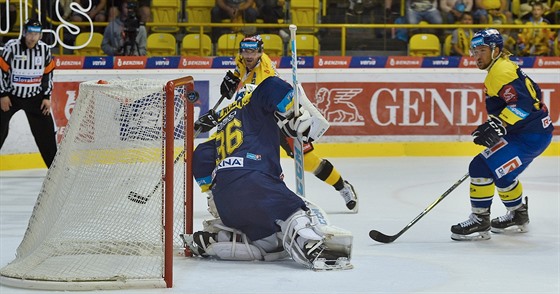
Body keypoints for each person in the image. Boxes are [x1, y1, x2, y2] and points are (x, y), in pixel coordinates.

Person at [185, 76, 353, 270]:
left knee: (270, 244)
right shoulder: (253, 104)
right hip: (256, 181)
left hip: (225, 201)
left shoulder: (222, 129)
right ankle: (315, 245)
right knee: (294, 211)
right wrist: (292, 112)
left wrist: (213, 195)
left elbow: (200, 157)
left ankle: (219, 239)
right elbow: (271, 86)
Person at [217, 34, 358, 212]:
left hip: (284, 118)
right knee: (253, 158)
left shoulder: (265, 72)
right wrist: (234, 77)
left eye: (253, 51)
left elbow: (250, 98)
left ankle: (343, 187)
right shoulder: (241, 60)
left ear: (261, 52)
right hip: (262, 120)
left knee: (308, 162)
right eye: (245, 50)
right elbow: (241, 75)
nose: (248, 55)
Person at [450, 29, 553, 241]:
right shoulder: (502, 67)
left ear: (496, 50)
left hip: (528, 136)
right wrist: (500, 125)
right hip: (530, 133)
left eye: (482, 50)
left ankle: (480, 220)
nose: (477, 56)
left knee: (479, 167)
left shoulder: (501, 71)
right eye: (474, 51)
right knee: (503, 175)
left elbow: (522, 104)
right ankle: (518, 215)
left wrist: (499, 124)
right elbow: (532, 96)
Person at [0, 19, 57, 168]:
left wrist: (46, 96)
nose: (32, 37)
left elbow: (48, 73)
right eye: (30, 33)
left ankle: (55, 173)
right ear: (24, 33)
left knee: (47, 136)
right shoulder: (11, 47)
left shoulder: (44, 49)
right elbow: (1, 72)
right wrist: (2, 94)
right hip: (10, 97)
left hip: (36, 98)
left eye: (36, 34)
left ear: (40, 36)